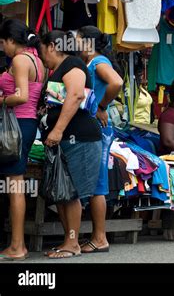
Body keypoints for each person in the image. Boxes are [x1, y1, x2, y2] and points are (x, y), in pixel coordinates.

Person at [39, 31, 102, 259]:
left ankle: (72, 243)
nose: (41, 55)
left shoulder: (73, 64)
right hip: (67, 138)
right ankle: (69, 240)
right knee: (63, 191)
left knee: (72, 191)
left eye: (42, 49)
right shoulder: (60, 69)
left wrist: (57, 130)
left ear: (52, 46)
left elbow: (75, 95)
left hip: (79, 137)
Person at [0, 20, 45, 261]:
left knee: (15, 186)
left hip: (15, 126)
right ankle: (18, 245)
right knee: (14, 185)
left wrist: (0, 101)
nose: (2, 48)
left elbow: (22, 96)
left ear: (11, 40)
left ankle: (17, 246)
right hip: (26, 126)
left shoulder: (19, 60)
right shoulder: (36, 59)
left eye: (2, 43)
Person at [77, 26, 123, 254]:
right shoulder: (93, 62)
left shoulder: (97, 62)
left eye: (77, 40)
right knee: (97, 183)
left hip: (99, 127)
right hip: (96, 127)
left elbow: (116, 82)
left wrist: (101, 106)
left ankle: (100, 238)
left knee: (98, 184)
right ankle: (97, 236)